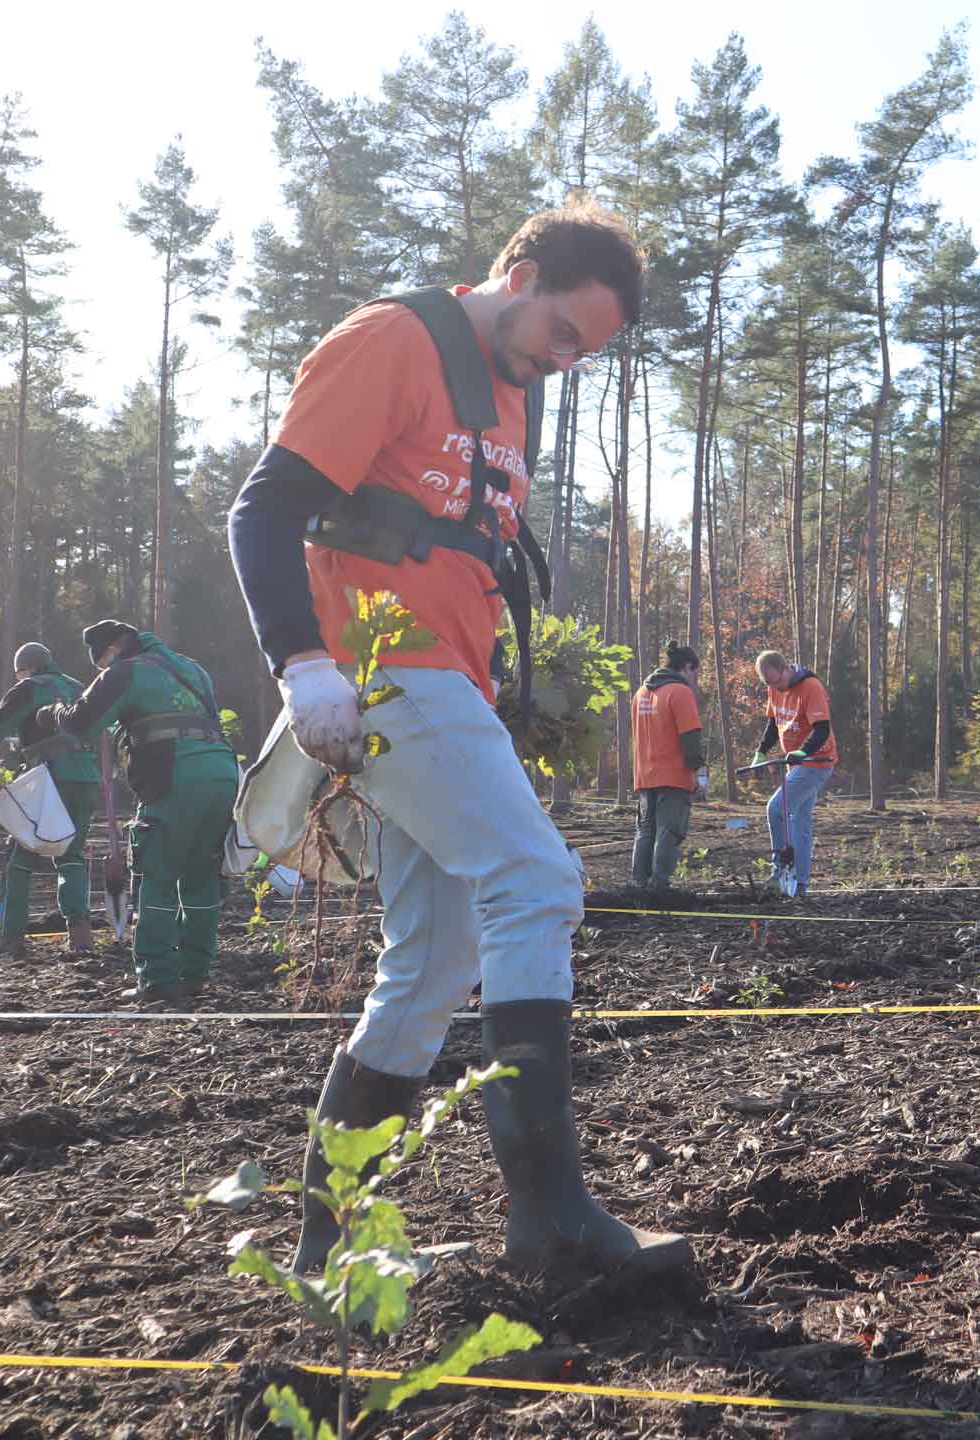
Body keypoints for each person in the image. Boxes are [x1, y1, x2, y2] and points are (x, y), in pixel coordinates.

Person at [225, 199, 692, 1288]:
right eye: (565, 333)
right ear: (518, 272)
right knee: (534, 881)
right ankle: (556, 1222)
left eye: (592, 351)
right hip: (385, 674)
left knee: (432, 965)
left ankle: (325, 1249)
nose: (568, 362)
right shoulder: (394, 339)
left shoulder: (507, 398)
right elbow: (264, 511)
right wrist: (302, 664)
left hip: (453, 688)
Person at [40, 622, 238, 1002]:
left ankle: (159, 981)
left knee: (156, 876)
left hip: (175, 776)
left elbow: (82, 722)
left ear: (112, 649)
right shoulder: (193, 669)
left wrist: (54, 713)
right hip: (222, 773)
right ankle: (194, 974)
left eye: (101, 663)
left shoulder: (125, 671)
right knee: (201, 877)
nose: (102, 670)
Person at [0, 642, 101, 957]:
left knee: (20, 857)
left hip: (51, 778)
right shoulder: (79, 687)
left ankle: (10, 935)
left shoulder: (29, 688)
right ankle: (81, 938)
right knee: (72, 856)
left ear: (25, 669)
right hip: (87, 777)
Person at [751, 650, 837, 897]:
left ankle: (780, 869)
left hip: (816, 761)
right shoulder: (773, 688)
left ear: (786, 668)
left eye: (776, 681)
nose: (774, 687)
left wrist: (803, 751)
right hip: (796, 764)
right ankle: (800, 886)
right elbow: (773, 723)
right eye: (768, 683)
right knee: (800, 823)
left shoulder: (811, 686)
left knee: (776, 808)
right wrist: (761, 751)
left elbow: (822, 729)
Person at [628, 642, 706, 893]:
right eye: (696, 672)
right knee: (669, 831)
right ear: (686, 667)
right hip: (673, 775)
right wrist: (699, 772)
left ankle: (638, 883)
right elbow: (690, 738)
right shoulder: (680, 693)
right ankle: (660, 886)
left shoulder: (641, 693)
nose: (695, 679)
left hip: (644, 775)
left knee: (645, 831)